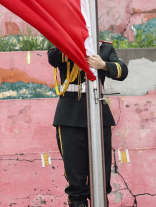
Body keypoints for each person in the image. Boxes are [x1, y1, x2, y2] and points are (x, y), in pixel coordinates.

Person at [48, 41, 128, 207]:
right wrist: (74, 45)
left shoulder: (104, 48)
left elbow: (122, 70)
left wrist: (104, 65)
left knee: (100, 176)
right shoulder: (64, 42)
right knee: (75, 177)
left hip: (98, 114)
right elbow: (52, 57)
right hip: (69, 115)